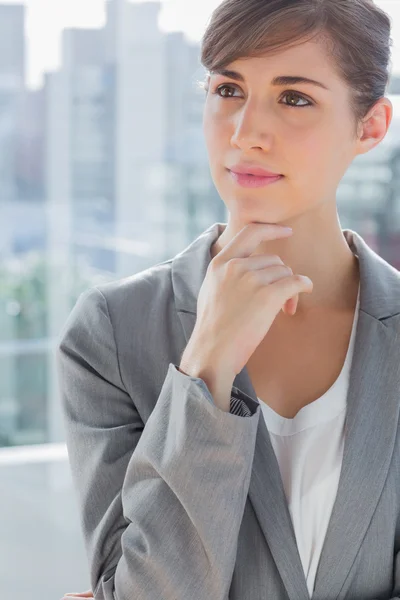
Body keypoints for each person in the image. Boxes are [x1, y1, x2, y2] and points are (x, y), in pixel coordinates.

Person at [56, 1, 399, 599]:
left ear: (369, 126)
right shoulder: (110, 332)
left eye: (294, 97)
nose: (245, 134)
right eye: (228, 88)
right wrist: (206, 366)